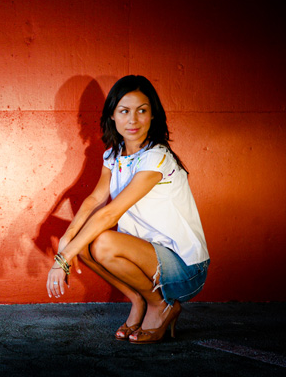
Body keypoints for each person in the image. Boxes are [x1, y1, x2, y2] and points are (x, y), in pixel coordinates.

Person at [46, 75, 210, 344]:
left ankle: (161, 304)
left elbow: (110, 213)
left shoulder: (156, 157)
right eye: (124, 111)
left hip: (184, 267)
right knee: (83, 243)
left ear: (153, 115)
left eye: (141, 111)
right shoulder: (114, 155)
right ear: (112, 115)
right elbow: (95, 199)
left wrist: (62, 259)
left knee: (100, 241)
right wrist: (67, 239)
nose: (133, 120)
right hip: (149, 256)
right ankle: (138, 299)